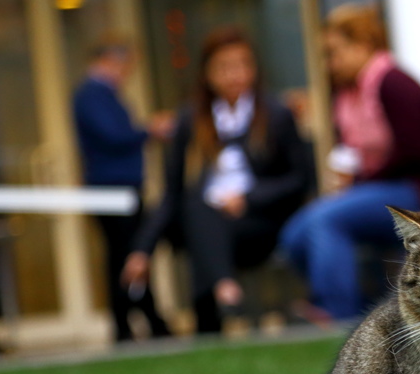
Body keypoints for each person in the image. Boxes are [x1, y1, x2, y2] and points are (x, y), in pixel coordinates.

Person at [278, 4, 420, 323]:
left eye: (334, 52)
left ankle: (339, 314)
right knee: (294, 234)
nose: (329, 63)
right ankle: (366, 309)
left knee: (327, 220)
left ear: (363, 45)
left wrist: (362, 181)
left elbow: (413, 153)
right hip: (380, 189)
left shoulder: (395, 84)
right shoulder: (347, 95)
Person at [123, 27, 309, 334]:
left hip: (257, 223)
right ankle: (225, 287)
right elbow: (172, 193)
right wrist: (142, 250)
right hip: (205, 221)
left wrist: (248, 198)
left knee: (200, 221)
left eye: (241, 65)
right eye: (224, 67)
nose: (234, 75)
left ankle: (211, 318)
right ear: (207, 74)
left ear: (253, 69)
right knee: (198, 206)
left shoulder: (275, 114)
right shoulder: (190, 120)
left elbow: (299, 180)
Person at [73, 35, 172, 342]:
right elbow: (113, 137)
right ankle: (136, 325)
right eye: (125, 65)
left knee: (129, 256)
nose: (127, 73)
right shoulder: (91, 95)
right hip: (111, 191)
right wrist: (149, 129)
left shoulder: (106, 94)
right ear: (109, 61)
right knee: (126, 257)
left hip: (123, 189)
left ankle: (139, 324)